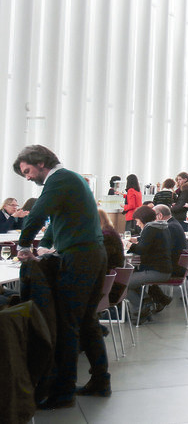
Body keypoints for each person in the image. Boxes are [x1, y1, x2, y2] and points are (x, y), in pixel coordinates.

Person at [13, 145, 109, 409]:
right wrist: (42, 246)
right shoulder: (70, 180)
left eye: (28, 171)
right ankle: (101, 380)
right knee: (87, 321)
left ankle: (63, 392)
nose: (28, 177)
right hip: (92, 255)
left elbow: (37, 213)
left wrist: (23, 246)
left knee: (67, 325)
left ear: (41, 162)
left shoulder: (59, 179)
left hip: (79, 258)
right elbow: (55, 224)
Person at [77, 209, 127, 398]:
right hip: (111, 286)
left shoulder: (104, 238)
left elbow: (96, 265)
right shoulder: (109, 234)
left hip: (105, 290)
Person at [124, 206, 173, 321]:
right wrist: (137, 240)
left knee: (123, 283)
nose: (136, 224)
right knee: (130, 280)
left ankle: (140, 306)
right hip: (163, 269)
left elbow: (141, 250)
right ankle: (145, 301)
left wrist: (128, 244)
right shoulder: (161, 227)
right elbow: (150, 242)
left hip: (157, 271)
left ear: (142, 219)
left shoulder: (150, 228)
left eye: (137, 221)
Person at [150, 204, 187, 310]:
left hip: (173, 268)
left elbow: (162, 248)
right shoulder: (174, 224)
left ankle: (152, 300)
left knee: (141, 272)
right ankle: (160, 299)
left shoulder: (169, 227)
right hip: (178, 264)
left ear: (159, 216)